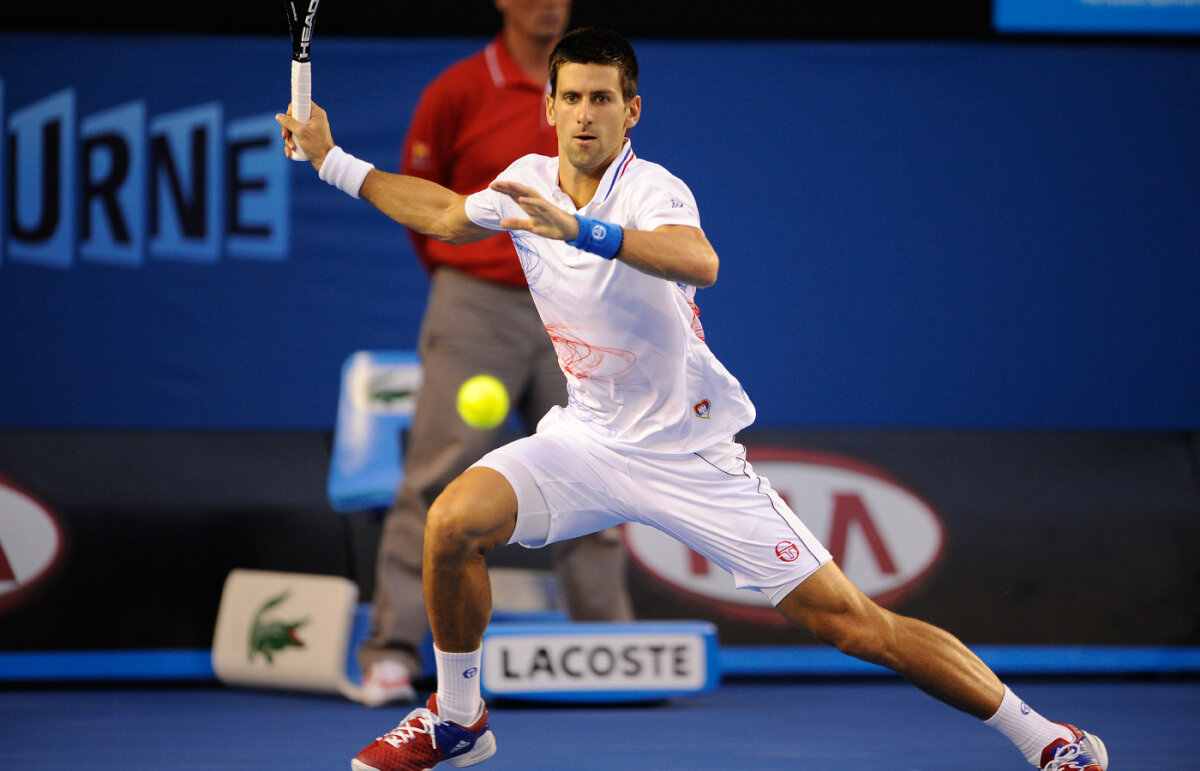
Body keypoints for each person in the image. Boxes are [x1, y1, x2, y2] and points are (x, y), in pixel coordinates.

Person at [277, 26, 1108, 771]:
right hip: (585, 442)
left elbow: (697, 258)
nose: (586, 115)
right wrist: (331, 159)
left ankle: (1048, 737)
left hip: (688, 456)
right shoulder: (525, 182)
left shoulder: (653, 189)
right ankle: (459, 716)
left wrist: (584, 230)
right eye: (572, 98)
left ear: (631, 110)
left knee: (853, 623)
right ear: (549, 108)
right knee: (452, 521)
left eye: (603, 99)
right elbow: (448, 213)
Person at [355, 0, 634, 709]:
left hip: (575, 309)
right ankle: (391, 653)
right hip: (477, 308)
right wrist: (469, 279)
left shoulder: (591, 88)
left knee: (599, 478)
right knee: (436, 478)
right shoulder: (455, 90)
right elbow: (431, 208)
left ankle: (612, 652)